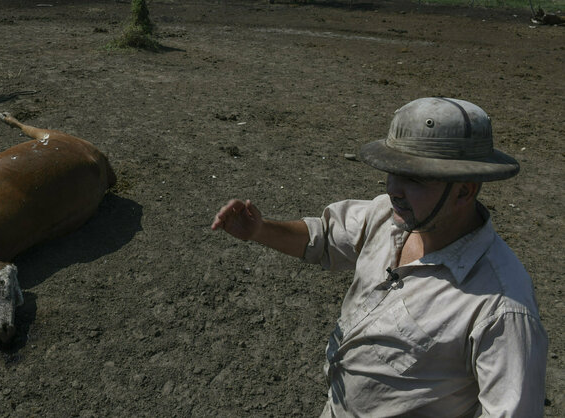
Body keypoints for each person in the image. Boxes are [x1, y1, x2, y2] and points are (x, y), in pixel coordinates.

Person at [211, 97, 548, 416]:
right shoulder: (388, 217)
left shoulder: (502, 307)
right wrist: (260, 230)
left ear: (464, 190)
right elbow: (326, 237)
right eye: (392, 171)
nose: (392, 189)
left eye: (413, 178)